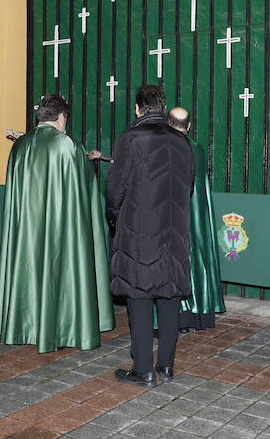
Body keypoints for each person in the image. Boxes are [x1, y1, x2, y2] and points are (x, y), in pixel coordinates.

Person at [0, 94, 114, 353]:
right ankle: (61, 328)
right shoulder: (66, 145)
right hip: (59, 227)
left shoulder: (20, 145)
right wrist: (85, 162)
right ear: (61, 117)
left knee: (27, 267)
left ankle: (23, 324)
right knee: (59, 269)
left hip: (26, 228)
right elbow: (83, 190)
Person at [105, 85, 194, 387]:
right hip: (174, 232)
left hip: (140, 232)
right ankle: (166, 367)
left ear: (137, 108)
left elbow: (115, 190)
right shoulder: (184, 143)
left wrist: (116, 219)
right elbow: (189, 189)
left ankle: (143, 369)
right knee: (169, 296)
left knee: (139, 296)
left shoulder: (131, 138)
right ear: (162, 107)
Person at [167, 107, 225, 332]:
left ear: (168, 124)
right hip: (197, 215)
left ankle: (180, 315)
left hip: (175, 216)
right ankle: (199, 311)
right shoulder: (198, 150)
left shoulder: (168, 148)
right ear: (189, 126)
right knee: (197, 258)